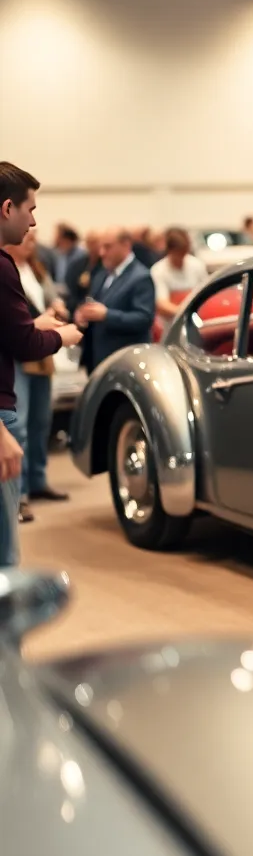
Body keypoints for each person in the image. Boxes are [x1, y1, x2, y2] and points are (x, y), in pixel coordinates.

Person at [0, 162, 82, 565]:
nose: (34, 222)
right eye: (30, 210)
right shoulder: (2, 265)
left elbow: (11, 333)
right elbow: (24, 344)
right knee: (4, 558)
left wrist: (32, 324)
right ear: (6, 208)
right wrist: (60, 336)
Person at [6, 232, 70, 519]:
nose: (32, 241)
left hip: (41, 355)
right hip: (20, 356)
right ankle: (18, 495)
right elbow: (13, 323)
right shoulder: (8, 270)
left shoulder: (36, 268)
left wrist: (57, 307)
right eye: (28, 238)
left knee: (41, 420)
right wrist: (37, 322)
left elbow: (52, 295)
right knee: (17, 425)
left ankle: (37, 480)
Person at [75, 228, 156, 374]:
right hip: (99, 359)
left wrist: (107, 315)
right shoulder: (102, 274)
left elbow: (144, 319)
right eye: (101, 247)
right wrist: (83, 313)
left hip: (126, 363)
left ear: (125, 245)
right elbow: (93, 302)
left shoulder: (140, 277)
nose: (102, 253)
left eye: (108, 247)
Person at [150, 227, 208, 324]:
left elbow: (206, 292)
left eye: (184, 253)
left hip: (197, 319)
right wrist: (186, 311)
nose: (181, 258)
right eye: (178, 254)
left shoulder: (197, 265)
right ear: (169, 251)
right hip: (170, 324)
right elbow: (161, 304)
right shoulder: (158, 270)